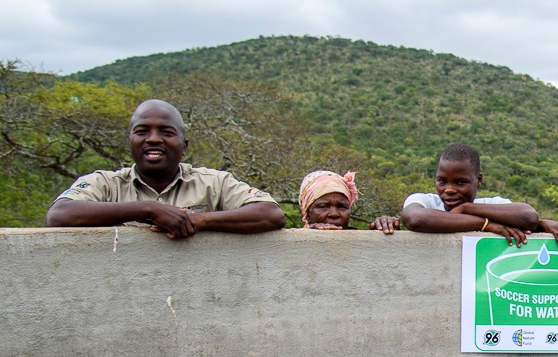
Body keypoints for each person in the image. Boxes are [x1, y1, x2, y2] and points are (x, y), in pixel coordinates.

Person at [45, 99, 284, 238]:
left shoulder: (214, 183)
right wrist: (149, 209)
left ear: (184, 146)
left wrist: (198, 220)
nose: (153, 139)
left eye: (166, 132)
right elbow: (59, 215)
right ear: (131, 141)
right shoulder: (106, 184)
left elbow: (270, 213)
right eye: (142, 131)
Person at [373, 143, 543, 246]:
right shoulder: (426, 201)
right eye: (442, 181)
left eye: (460, 182)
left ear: (478, 179)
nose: (449, 189)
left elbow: (528, 216)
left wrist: (466, 208)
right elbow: (415, 219)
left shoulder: (490, 203)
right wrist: (486, 225)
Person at [298, 170, 393, 233]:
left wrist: (386, 230)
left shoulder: (360, 242)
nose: (334, 214)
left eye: (342, 207)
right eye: (323, 206)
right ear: (307, 213)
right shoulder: (293, 246)